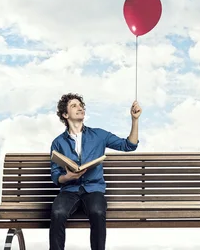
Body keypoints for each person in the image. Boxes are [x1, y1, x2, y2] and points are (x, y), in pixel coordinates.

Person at [49, 92, 141, 250]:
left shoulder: (99, 135)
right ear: (65, 114)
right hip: (69, 191)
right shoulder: (58, 142)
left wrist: (134, 120)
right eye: (74, 106)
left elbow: (129, 145)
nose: (80, 108)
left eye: (81, 105)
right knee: (57, 213)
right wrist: (67, 177)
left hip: (93, 190)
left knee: (97, 212)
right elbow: (55, 175)